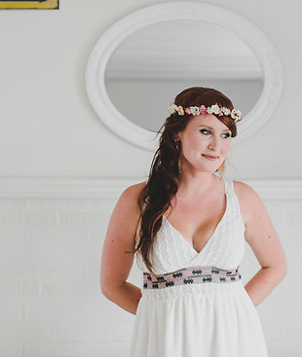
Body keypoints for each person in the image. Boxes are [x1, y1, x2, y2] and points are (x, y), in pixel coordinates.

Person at [100, 86, 287, 357]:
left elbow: (276, 265)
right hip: (166, 340)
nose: (217, 146)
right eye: (205, 131)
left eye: (225, 135)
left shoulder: (242, 198)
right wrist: (162, 313)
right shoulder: (137, 200)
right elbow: (112, 284)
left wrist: (234, 309)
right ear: (177, 133)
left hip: (233, 338)